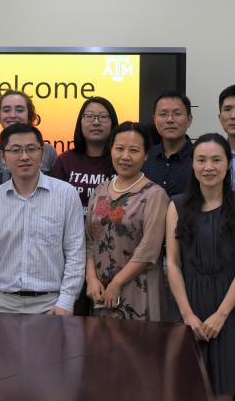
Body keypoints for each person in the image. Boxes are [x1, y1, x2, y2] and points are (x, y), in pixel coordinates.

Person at [165, 133, 235, 401]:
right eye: (202, 160)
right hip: (189, 306)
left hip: (230, 310)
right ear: (192, 165)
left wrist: (220, 315)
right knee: (193, 400)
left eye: (216, 160)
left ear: (228, 164)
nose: (209, 167)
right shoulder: (177, 205)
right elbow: (172, 264)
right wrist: (188, 315)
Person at [0, 123, 85, 315]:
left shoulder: (66, 194)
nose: (24, 156)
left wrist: (65, 302)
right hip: (2, 304)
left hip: (52, 303)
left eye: (31, 149)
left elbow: (75, 252)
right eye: (15, 150)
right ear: (3, 157)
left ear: (42, 153)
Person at [84, 122, 168, 321]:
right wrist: (91, 278)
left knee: (137, 341)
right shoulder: (99, 191)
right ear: (111, 150)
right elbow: (89, 241)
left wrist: (117, 282)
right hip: (100, 293)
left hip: (138, 291)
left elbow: (149, 249)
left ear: (146, 155)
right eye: (119, 148)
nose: (125, 156)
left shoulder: (154, 194)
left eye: (134, 150)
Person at [0, 91, 57, 206]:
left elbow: (58, 194)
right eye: (6, 110)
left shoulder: (48, 152)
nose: (12, 115)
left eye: (19, 110)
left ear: (29, 115)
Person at [51, 97, 118, 209]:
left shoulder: (121, 160)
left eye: (103, 117)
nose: (96, 122)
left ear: (113, 122)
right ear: (80, 122)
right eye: (89, 116)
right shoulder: (65, 161)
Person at [142, 90, 194, 196]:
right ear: (154, 120)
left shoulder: (199, 158)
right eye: (163, 114)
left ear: (189, 120)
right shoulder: (145, 156)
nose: (170, 120)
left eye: (177, 114)